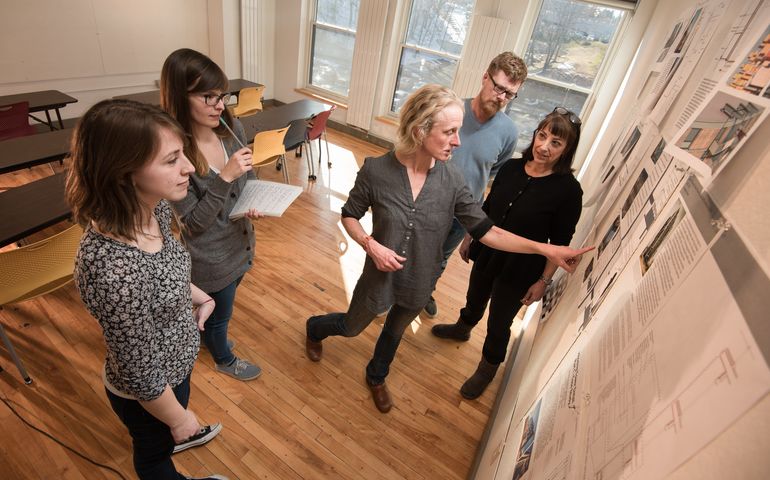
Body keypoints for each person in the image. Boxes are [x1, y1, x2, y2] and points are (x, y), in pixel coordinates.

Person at [304, 85, 591, 413]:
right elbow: (349, 215)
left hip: (419, 281)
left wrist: (545, 250)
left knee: (395, 332)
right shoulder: (376, 171)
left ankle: (377, 375)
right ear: (420, 131)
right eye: (451, 132)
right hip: (378, 279)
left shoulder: (453, 180)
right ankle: (315, 328)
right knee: (351, 327)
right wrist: (371, 246)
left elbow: (488, 232)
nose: (458, 141)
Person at [68, 99, 227, 479]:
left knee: (165, 440)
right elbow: (140, 374)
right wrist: (179, 418)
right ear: (124, 172)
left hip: (175, 367)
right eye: (171, 159)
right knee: (155, 457)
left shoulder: (150, 207)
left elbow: (161, 270)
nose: (189, 166)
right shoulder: (113, 270)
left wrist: (196, 293)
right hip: (151, 394)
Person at [432, 108, 584, 399]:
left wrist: (543, 280)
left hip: (522, 268)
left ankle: (487, 367)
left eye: (556, 143)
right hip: (488, 251)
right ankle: (463, 328)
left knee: (499, 323)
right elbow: (487, 209)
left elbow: (561, 242)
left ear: (567, 150)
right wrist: (469, 238)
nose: (544, 146)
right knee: (475, 296)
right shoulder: (512, 168)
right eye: (543, 136)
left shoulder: (568, 191)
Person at [160, 48, 262, 381]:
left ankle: (208, 336)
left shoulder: (231, 127)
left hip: (241, 243)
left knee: (219, 310)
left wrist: (256, 196)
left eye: (222, 96)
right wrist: (225, 177)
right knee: (220, 315)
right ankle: (223, 358)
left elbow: (249, 174)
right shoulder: (177, 153)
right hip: (212, 256)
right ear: (180, 95)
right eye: (208, 97)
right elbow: (193, 224)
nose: (220, 105)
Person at [424, 51, 527, 319]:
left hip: (463, 213)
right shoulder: (451, 111)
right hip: (427, 202)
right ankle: (393, 295)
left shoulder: (509, 133)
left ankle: (424, 292)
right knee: (411, 250)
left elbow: (492, 171)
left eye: (509, 94)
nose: (501, 97)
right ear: (485, 77)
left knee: (440, 258)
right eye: (499, 88)